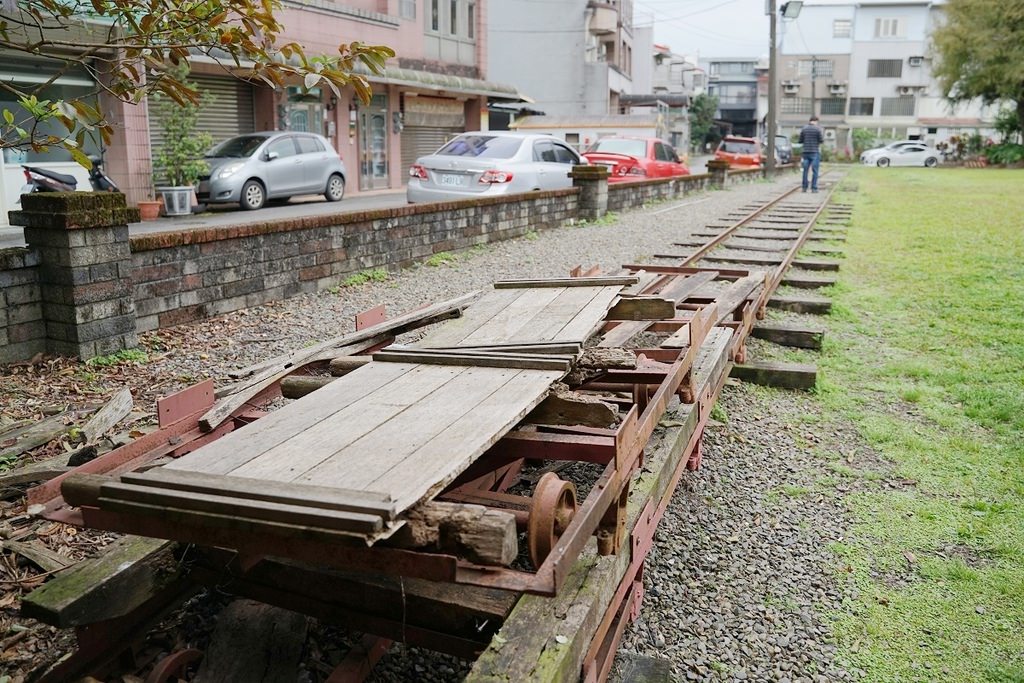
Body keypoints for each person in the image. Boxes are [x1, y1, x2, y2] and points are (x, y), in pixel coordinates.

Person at [798, 115, 824, 192]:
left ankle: (804, 187)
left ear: (810, 121)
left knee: (805, 170)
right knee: (815, 170)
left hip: (805, 152)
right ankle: (814, 188)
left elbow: (800, 140)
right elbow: (821, 140)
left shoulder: (804, 129)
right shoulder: (818, 129)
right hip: (814, 152)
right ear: (816, 121)